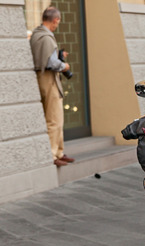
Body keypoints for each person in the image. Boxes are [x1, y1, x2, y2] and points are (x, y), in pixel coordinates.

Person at [30, 6, 73, 168]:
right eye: (58, 21)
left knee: (57, 118)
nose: (58, 24)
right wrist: (65, 65)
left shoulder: (37, 34)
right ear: (55, 20)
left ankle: (59, 152)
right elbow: (51, 63)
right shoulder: (46, 37)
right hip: (48, 80)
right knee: (54, 119)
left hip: (43, 78)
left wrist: (59, 57)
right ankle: (52, 154)